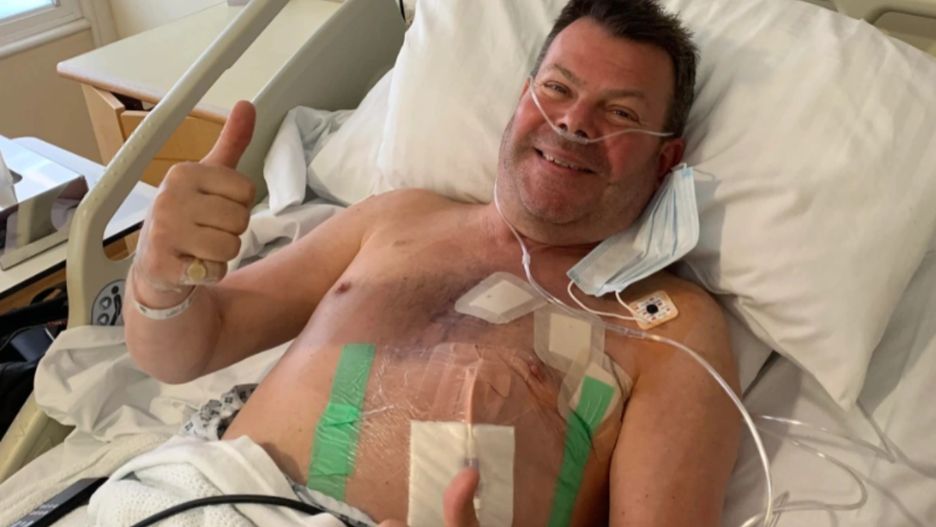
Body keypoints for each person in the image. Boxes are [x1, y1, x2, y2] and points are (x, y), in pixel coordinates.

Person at [125, 0, 741, 525]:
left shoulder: (671, 330)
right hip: (189, 499)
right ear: (521, 100)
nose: (574, 122)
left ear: (666, 161)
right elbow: (189, 349)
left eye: (621, 113)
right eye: (557, 88)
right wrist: (158, 278)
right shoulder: (399, 218)